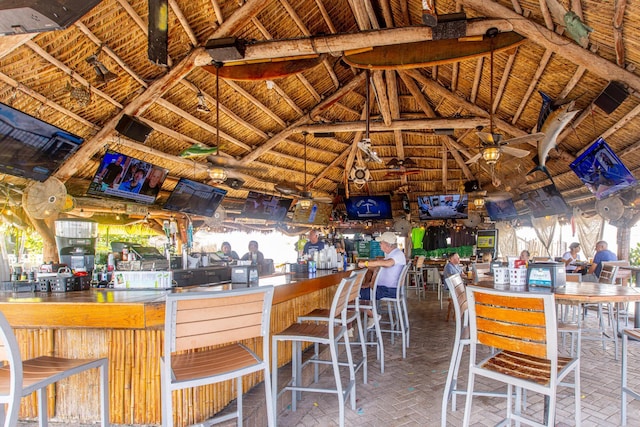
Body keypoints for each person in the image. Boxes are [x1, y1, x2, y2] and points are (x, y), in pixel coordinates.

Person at [357, 232, 406, 329]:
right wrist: (370, 282)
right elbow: (381, 267)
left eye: (381, 243)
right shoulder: (393, 253)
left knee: (352, 295)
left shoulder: (397, 254)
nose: (380, 244)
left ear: (388, 244)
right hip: (386, 289)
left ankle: (372, 315)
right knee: (358, 292)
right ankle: (370, 313)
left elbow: (387, 263)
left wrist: (366, 264)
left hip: (387, 290)